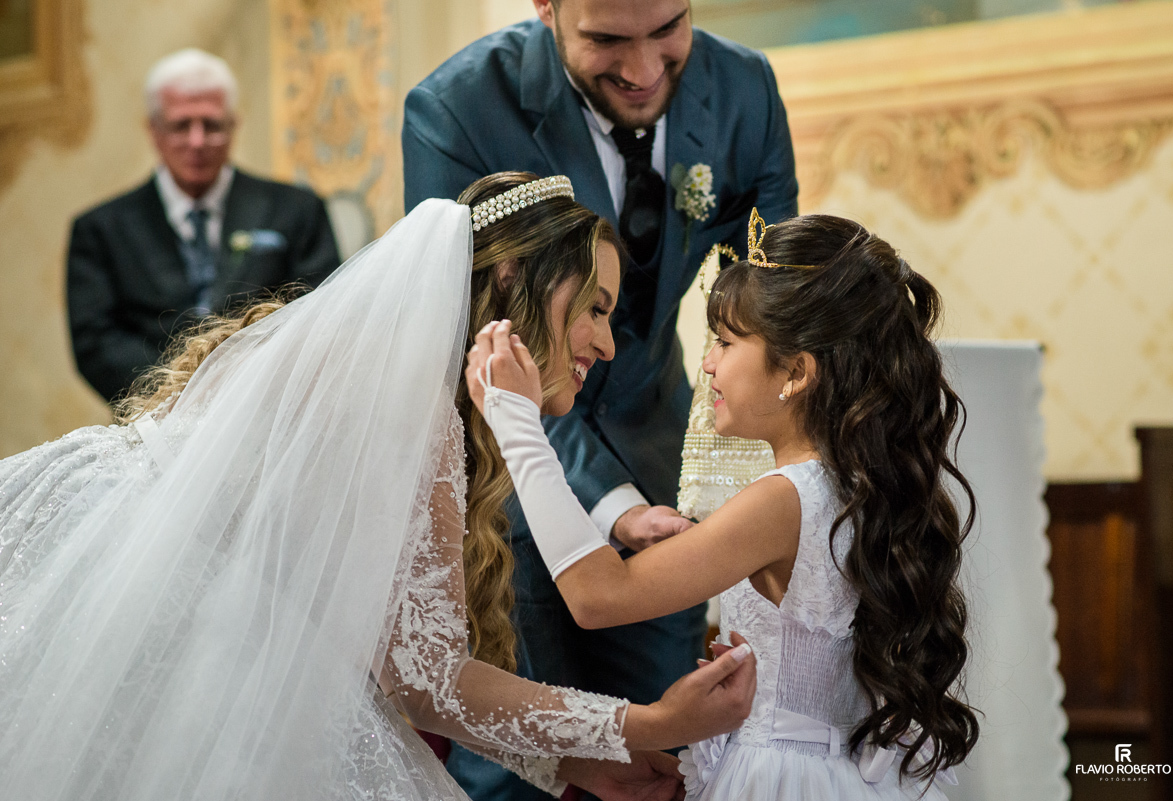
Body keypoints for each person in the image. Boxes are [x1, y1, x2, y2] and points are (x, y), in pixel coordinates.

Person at [0, 173, 759, 801]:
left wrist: (561, 758)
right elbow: (425, 677)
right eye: (594, 307)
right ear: (511, 276)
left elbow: (375, 639)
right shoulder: (408, 404)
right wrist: (645, 722)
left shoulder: (382, 371)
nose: (607, 340)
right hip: (180, 675)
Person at [403, 3, 798, 794]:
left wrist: (763, 491)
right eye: (608, 39)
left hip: (656, 464)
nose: (646, 68)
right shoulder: (457, 108)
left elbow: (781, 308)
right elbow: (481, 343)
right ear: (546, 7)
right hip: (497, 484)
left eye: (668, 28)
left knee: (661, 760)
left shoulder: (745, 91)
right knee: (505, 761)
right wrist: (606, 505)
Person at [468, 211, 980, 799]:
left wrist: (517, 422)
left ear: (795, 372)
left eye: (726, 342)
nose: (707, 362)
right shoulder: (846, 488)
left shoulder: (783, 500)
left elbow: (597, 597)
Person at [67, 48, 340, 403]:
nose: (197, 142)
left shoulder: (297, 210)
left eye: (211, 125)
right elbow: (96, 342)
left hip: (269, 410)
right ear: (154, 130)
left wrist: (246, 386)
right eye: (181, 125)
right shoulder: (101, 230)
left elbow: (324, 312)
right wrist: (181, 390)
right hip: (152, 418)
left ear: (233, 126)